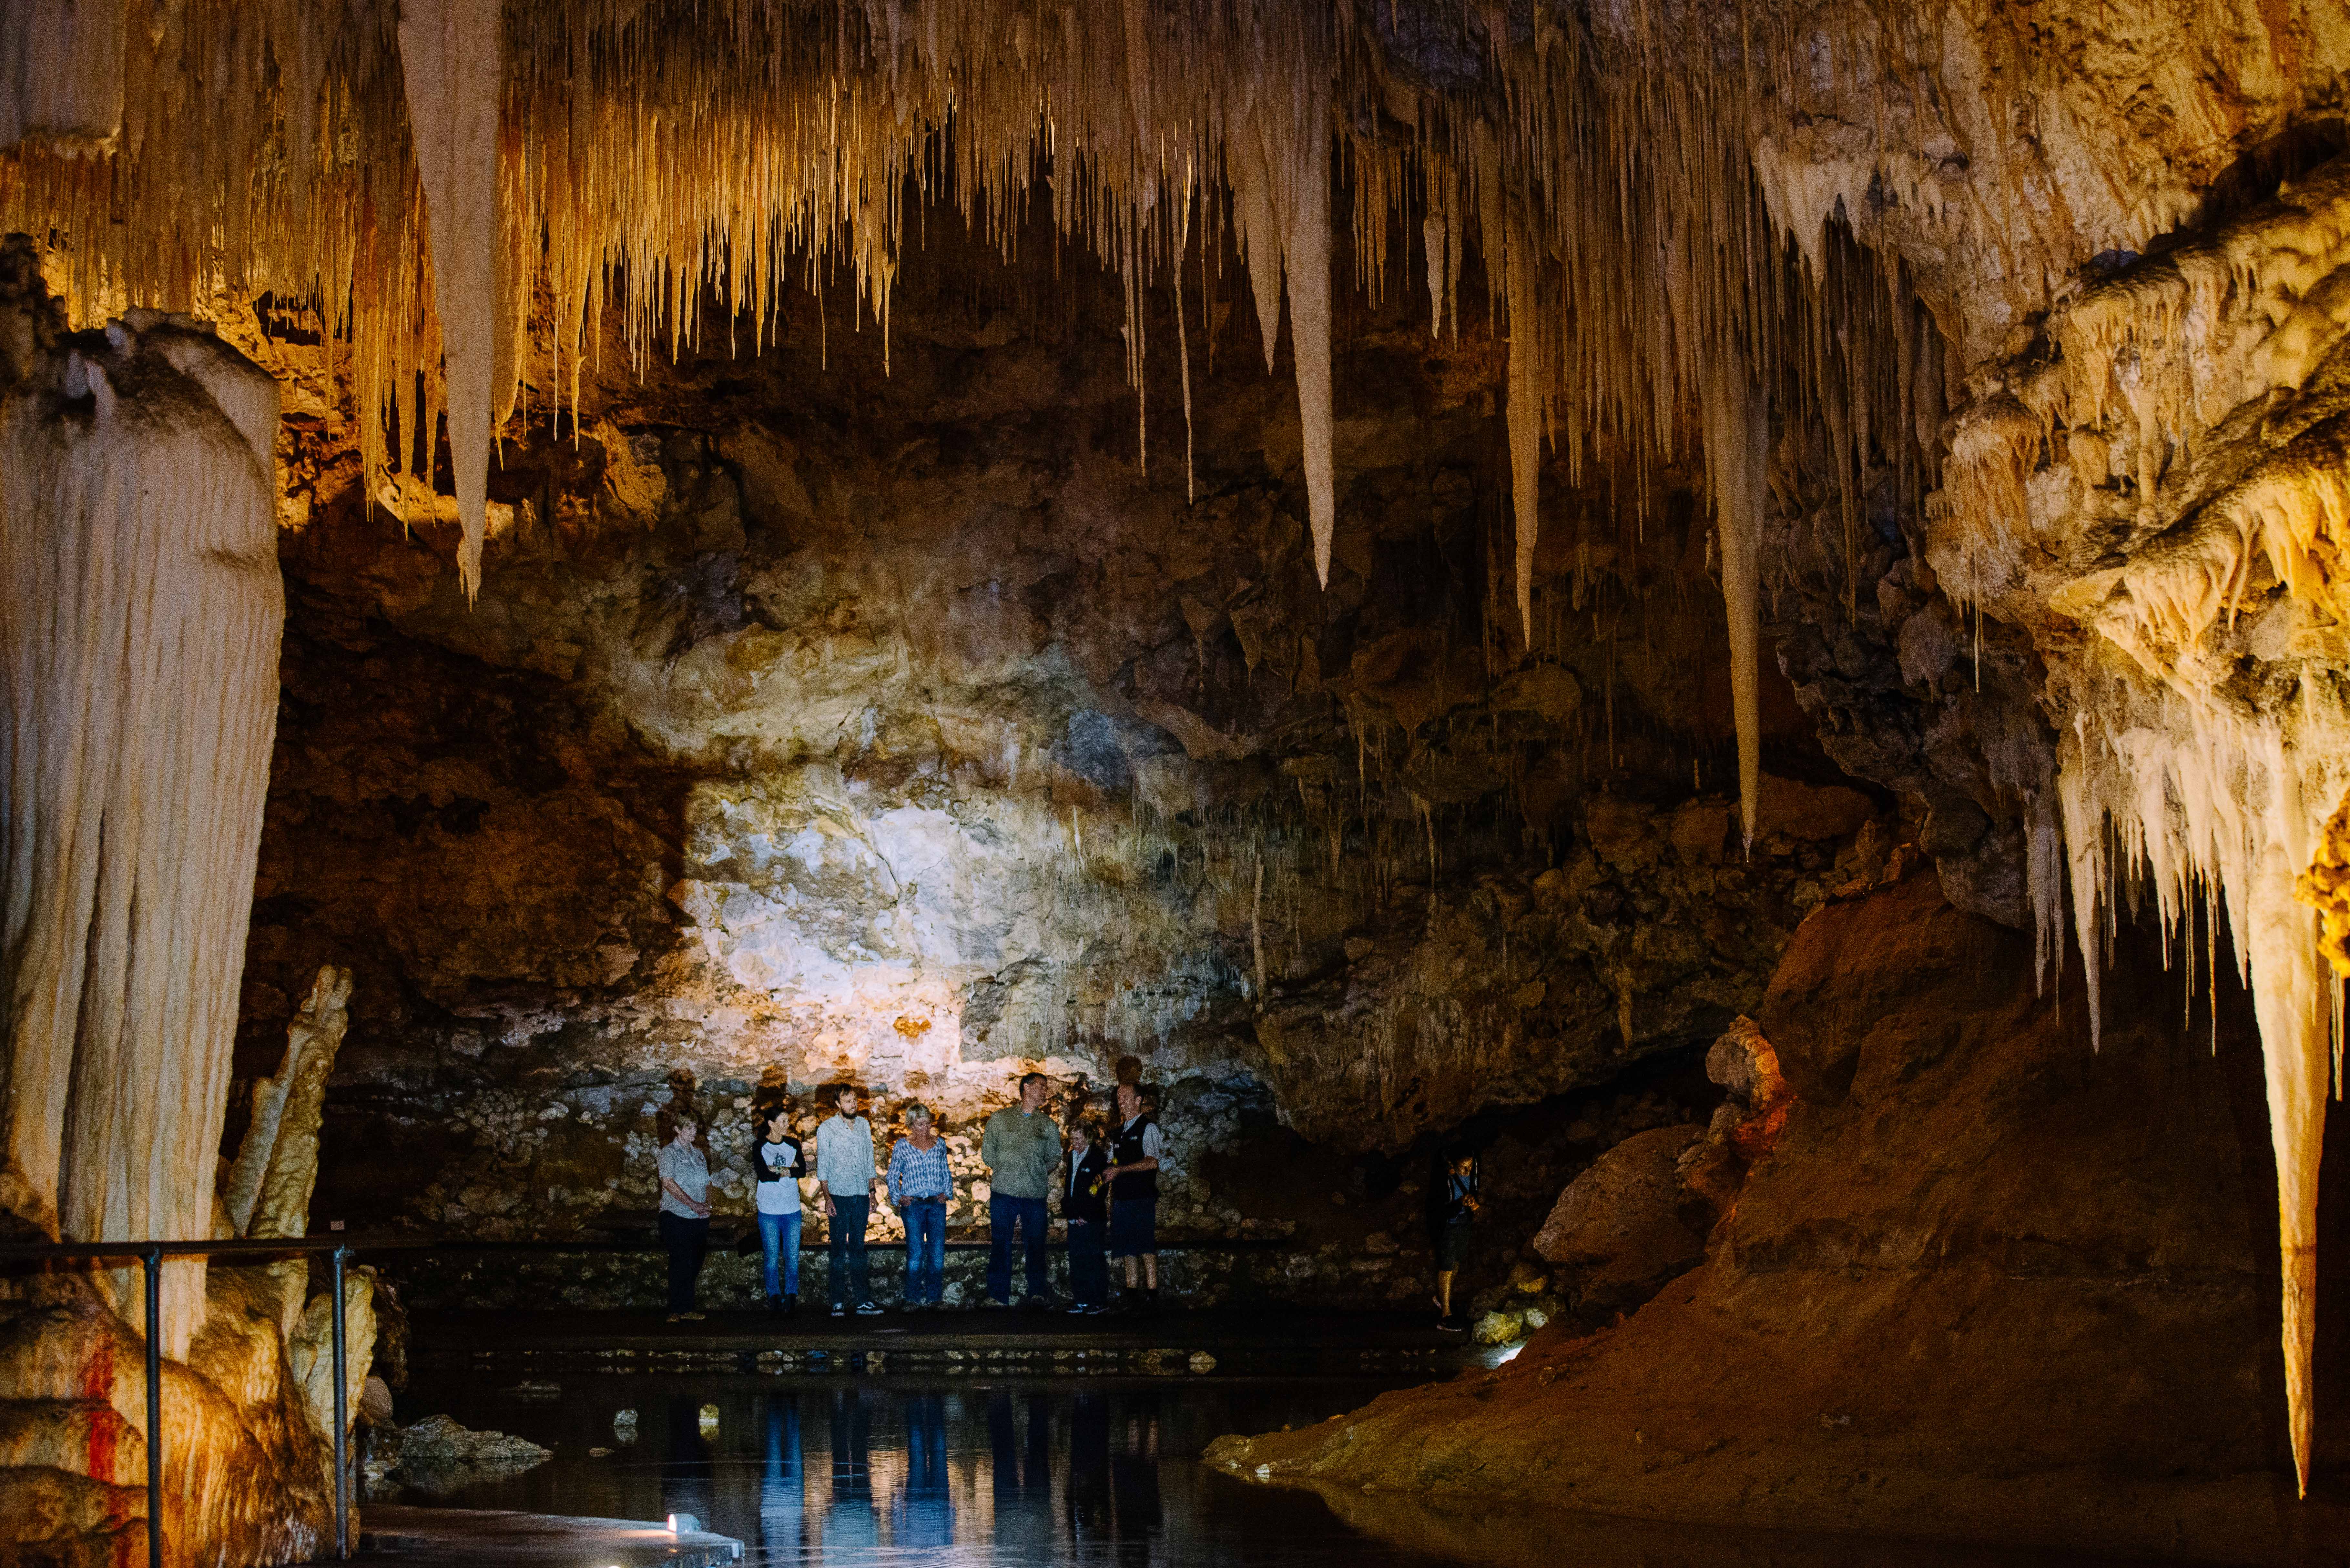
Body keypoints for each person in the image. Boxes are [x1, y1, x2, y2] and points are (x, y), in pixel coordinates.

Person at [980, 1071, 1062, 1308]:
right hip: (1003, 1193)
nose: (1045, 1091)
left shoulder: (1048, 1125)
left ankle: (1037, 1293)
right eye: (1041, 1086)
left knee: (1036, 1244)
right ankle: (998, 1296)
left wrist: (1035, 1172)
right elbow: (988, 1152)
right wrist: (1006, 1169)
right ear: (1026, 1087)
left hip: (1034, 1195)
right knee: (1000, 1244)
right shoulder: (1000, 1119)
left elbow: (1054, 1157)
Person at [815, 1084, 885, 1317]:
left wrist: (872, 1192)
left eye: (855, 1100)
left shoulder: (864, 1125)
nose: (853, 1105)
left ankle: (862, 1301)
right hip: (839, 1196)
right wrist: (827, 1198)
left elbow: (869, 1159)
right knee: (837, 1248)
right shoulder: (827, 1129)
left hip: (861, 1196)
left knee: (858, 1248)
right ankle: (837, 1301)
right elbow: (823, 1166)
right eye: (848, 1102)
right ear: (838, 1104)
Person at [1104, 1082, 1163, 1312]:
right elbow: (1114, 1161)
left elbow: (1152, 1161)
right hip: (1122, 1198)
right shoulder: (1118, 1133)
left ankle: (1152, 1295)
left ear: (1138, 1101)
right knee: (1126, 1247)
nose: (1121, 1101)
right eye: (1119, 1097)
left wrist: (1120, 1170)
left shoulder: (1148, 1128)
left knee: (1145, 1245)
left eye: (1126, 1097)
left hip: (1141, 1196)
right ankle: (1132, 1295)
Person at [888, 1102, 953, 1310]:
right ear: (911, 1125)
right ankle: (912, 1299)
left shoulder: (939, 1144)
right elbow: (892, 1175)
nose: (925, 1128)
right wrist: (898, 1197)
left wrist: (947, 1193)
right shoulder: (902, 1146)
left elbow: (945, 1171)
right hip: (913, 1206)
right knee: (915, 1253)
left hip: (936, 1205)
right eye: (920, 1124)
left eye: (927, 1123)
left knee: (937, 1252)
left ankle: (935, 1298)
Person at [656, 1109, 711, 1323]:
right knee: (680, 1260)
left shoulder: (698, 1154)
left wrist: (707, 1204)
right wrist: (693, 1204)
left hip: (698, 1217)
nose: (693, 1131)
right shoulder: (668, 1153)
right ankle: (676, 1309)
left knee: (695, 1261)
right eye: (688, 1127)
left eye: (695, 1127)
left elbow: (707, 1183)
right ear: (677, 1129)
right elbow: (668, 1183)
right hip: (676, 1214)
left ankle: (687, 1308)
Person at [752, 1106, 804, 1315]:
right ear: (771, 1124)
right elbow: (763, 1174)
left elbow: (802, 1171)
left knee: (792, 1257)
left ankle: (791, 1297)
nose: (787, 1125)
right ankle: (774, 1297)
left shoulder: (793, 1144)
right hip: (769, 1210)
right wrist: (788, 1170)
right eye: (783, 1121)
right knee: (772, 1257)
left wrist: (777, 1169)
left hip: (792, 1208)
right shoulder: (760, 1145)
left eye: (788, 1121)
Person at [1061, 1120, 1112, 1314]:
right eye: (1072, 1139)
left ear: (1088, 1137)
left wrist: (1086, 1214)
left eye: (1078, 1139)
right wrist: (1071, 1212)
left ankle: (1099, 1301)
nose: (1075, 1143)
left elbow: (1100, 1189)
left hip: (1092, 1219)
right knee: (1077, 1259)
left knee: (1094, 1259)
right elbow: (1070, 1187)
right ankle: (1081, 1300)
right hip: (1075, 1218)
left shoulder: (1098, 1158)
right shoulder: (1072, 1156)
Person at [1433, 1148, 1480, 1331]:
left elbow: (1473, 1189)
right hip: (1448, 1225)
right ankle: (1445, 1316)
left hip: (1464, 1223)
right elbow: (1438, 1208)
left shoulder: (1473, 1172)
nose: (1468, 1171)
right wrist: (1459, 1204)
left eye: (1470, 1166)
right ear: (1452, 1165)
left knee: (1456, 1263)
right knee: (1446, 1267)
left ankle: (1443, 1299)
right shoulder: (1443, 1179)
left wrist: (1471, 1203)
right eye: (1463, 1168)